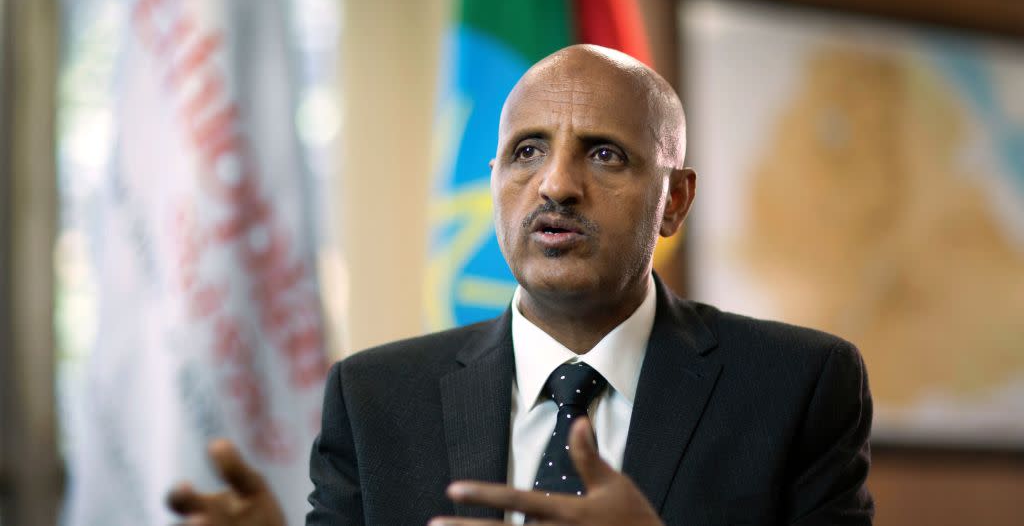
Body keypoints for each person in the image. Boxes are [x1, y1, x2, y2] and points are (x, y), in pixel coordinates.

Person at [168, 44, 874, 525]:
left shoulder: (797, 386)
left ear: (675, 201)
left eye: (603, 154)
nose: (557, 185)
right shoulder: (376, 398)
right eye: (526, 151)